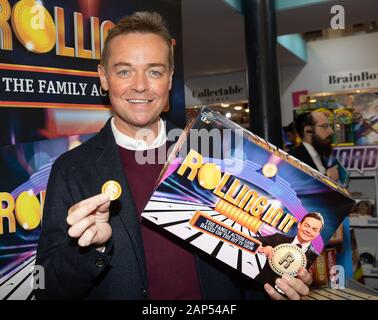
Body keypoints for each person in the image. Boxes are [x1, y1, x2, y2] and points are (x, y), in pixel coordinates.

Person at [34, 11, 311, 300]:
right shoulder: (73, 169)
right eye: (124, 71)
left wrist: (276, 283)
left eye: (154, 71)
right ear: (104, 78)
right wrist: (94, 249)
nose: (140, 85)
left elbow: (244, 264)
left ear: (169, 79)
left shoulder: (212, 152)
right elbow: (48, 287)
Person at [290, 111, 339, 181]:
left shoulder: (320, 154)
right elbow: (301, 188)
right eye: (324, 126)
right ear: (308, 130)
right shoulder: (293, 159)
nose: (331, 131)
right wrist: (328, 178)